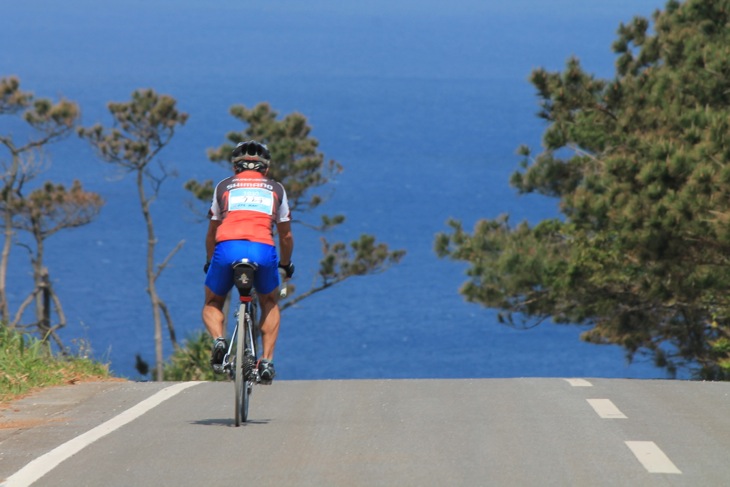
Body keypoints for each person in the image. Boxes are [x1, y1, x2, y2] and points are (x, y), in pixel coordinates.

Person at [202, 140, 294, 382]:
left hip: (227, 248)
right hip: (262, 250)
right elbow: (285, 235)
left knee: (213, 301)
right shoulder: (277, 189)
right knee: (270, 302)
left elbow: (212, 232)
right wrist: (285, 265)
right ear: (265, 168)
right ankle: (266, 361)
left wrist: (210, 260)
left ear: (235, 168)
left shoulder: (223, 186)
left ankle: (219, 340)